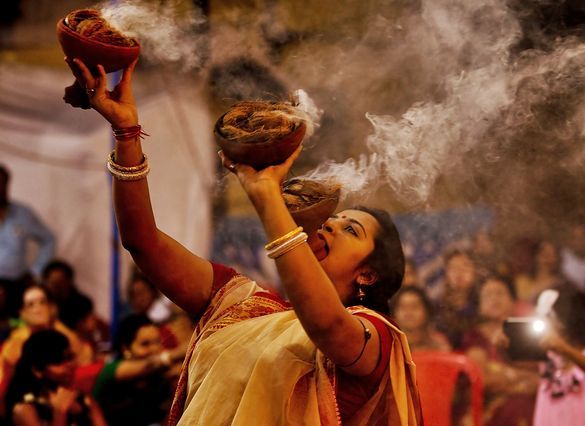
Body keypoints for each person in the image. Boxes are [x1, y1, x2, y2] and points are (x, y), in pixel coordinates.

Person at [64, 57, 422, 425]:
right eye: (333, 219)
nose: (331, 226)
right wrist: (126, 132)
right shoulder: (241, 302)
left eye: (351, 230)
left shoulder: (374, 335)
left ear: (368, 275)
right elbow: (142, 242)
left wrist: (266, 192)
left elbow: (326, 325)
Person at [0, 285, 93, 416]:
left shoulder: (66, 336)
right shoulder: (14, 344)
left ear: (52, 307)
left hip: (67, 396)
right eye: (31, 305)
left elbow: (85, 363)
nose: (38, 309)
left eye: (42, 302)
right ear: (22, 313)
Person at [533, 289, 585, 425]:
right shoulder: (550, 357)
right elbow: (521, 364)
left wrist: (563, 347)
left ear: (563, 322)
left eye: (548, 317)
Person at [461, 275, 538, 426]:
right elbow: (482, 381)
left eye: (500, 293)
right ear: (479, 305)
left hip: (528, 405)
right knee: (516, 406)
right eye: (488, 295)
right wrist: (520, 381)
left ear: (513, 301)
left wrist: (505, 374)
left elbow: (540, 379)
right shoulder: (474, 337)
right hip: (490, 408)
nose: (494, 299)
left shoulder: (528, 333)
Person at [93, 314, 182, 426]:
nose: (155, 349)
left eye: (158, 342)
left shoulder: (160, 379)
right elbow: (147, 366)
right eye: (145, 344)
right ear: (126, 349)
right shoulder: (111, 370)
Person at [4, 329, 106, 426]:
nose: (69, 365)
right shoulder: (25, 408)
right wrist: (60, 413)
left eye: (69, 357)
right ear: (37, 370)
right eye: (58, 361)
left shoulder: (85, 400)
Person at [0, 164, 55, 318]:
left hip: (17, 285)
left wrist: (36, 270)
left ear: (7, 185)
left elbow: (49, 239)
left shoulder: (23, 214)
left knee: (17, 325)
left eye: (2, 183)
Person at [433, 249, 478, 349]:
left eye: (465, 266)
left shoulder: (482, 305)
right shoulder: (436, 307)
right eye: (453, 267)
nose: (459, 272)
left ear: (475, 271)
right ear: (446, 273)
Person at [390, 286, 451, 352]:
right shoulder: (387, 344)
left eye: (414, 307)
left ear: (427, 312)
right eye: (403, 307)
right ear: (394, 314)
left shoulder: (439, 344)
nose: (408, 312)